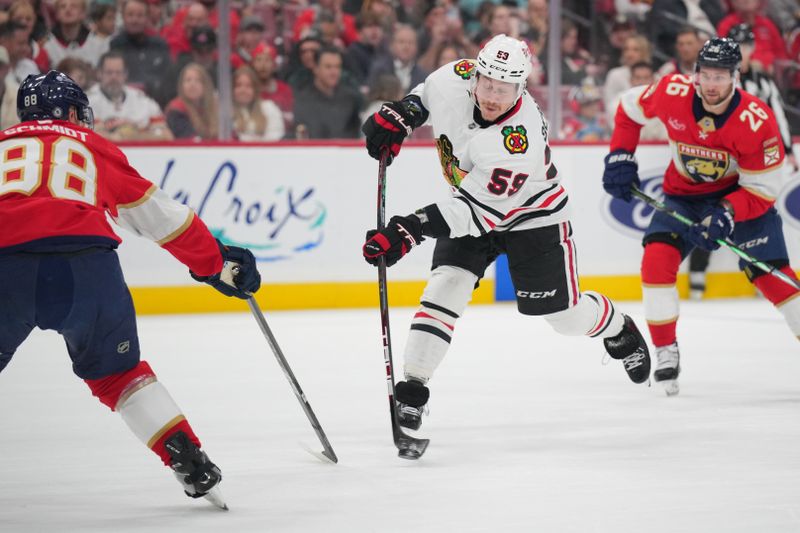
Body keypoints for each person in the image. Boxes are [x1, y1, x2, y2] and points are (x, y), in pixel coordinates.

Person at [361, 34, 652, 433]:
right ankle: (412, 392)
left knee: (563, 318)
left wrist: (409, 229)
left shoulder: (518, 140)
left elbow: (474, 215)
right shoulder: (454, 77)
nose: (494, 96)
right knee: (445, 288)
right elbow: (426, 95)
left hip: (533, 218)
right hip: (471, 202)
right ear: (475, 74)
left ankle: (617, 326)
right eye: (488, 84)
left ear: (522, 87)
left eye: (505, 88)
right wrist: (403, 114)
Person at [0, 71, 261, 507]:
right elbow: (164, 218)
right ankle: (187, 456)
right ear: (68, 112)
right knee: (119, 375)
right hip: (86, 269)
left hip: (5, 266)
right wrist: (214, 264)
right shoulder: (92, 147)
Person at [602, 38, 800, 396]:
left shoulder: (756, 121)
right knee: (655, 262)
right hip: (685, 199)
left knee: (774, 279)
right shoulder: (671, 91)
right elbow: (629, 110)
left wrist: (727, 212)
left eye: (720, 77)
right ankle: (665, 351)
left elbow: (763, 189)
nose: (711, 84)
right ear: (694, 74)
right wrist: (620, 155)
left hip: (742, 199)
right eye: (705, 75)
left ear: (735, 77)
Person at [688, 24, 798, 300]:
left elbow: (777, 117)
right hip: (720, 162)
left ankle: (763, 274)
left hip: (753, 163)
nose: (744, 52)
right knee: (710, 213)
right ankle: (697, 276)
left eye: (747, 46)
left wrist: (788, 150)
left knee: (755, 215)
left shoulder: (762, 82)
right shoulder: (712, 81)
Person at [88, 51, 173, 141]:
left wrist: (133, 136)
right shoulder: (87, 101)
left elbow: (167, 136)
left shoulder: (142, 99)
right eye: (109, 72)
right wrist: (122, 137)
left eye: (118, 72)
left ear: (125, 75)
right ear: (99, 74)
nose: (114, 77)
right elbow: (89, 138)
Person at [165, 62, 218, 140]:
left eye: (198, 80)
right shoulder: (176, 111)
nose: (192, 84)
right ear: (181, 85)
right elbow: (188, 138)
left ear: (206, 85)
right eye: (188, 80)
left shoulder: (214, 107)